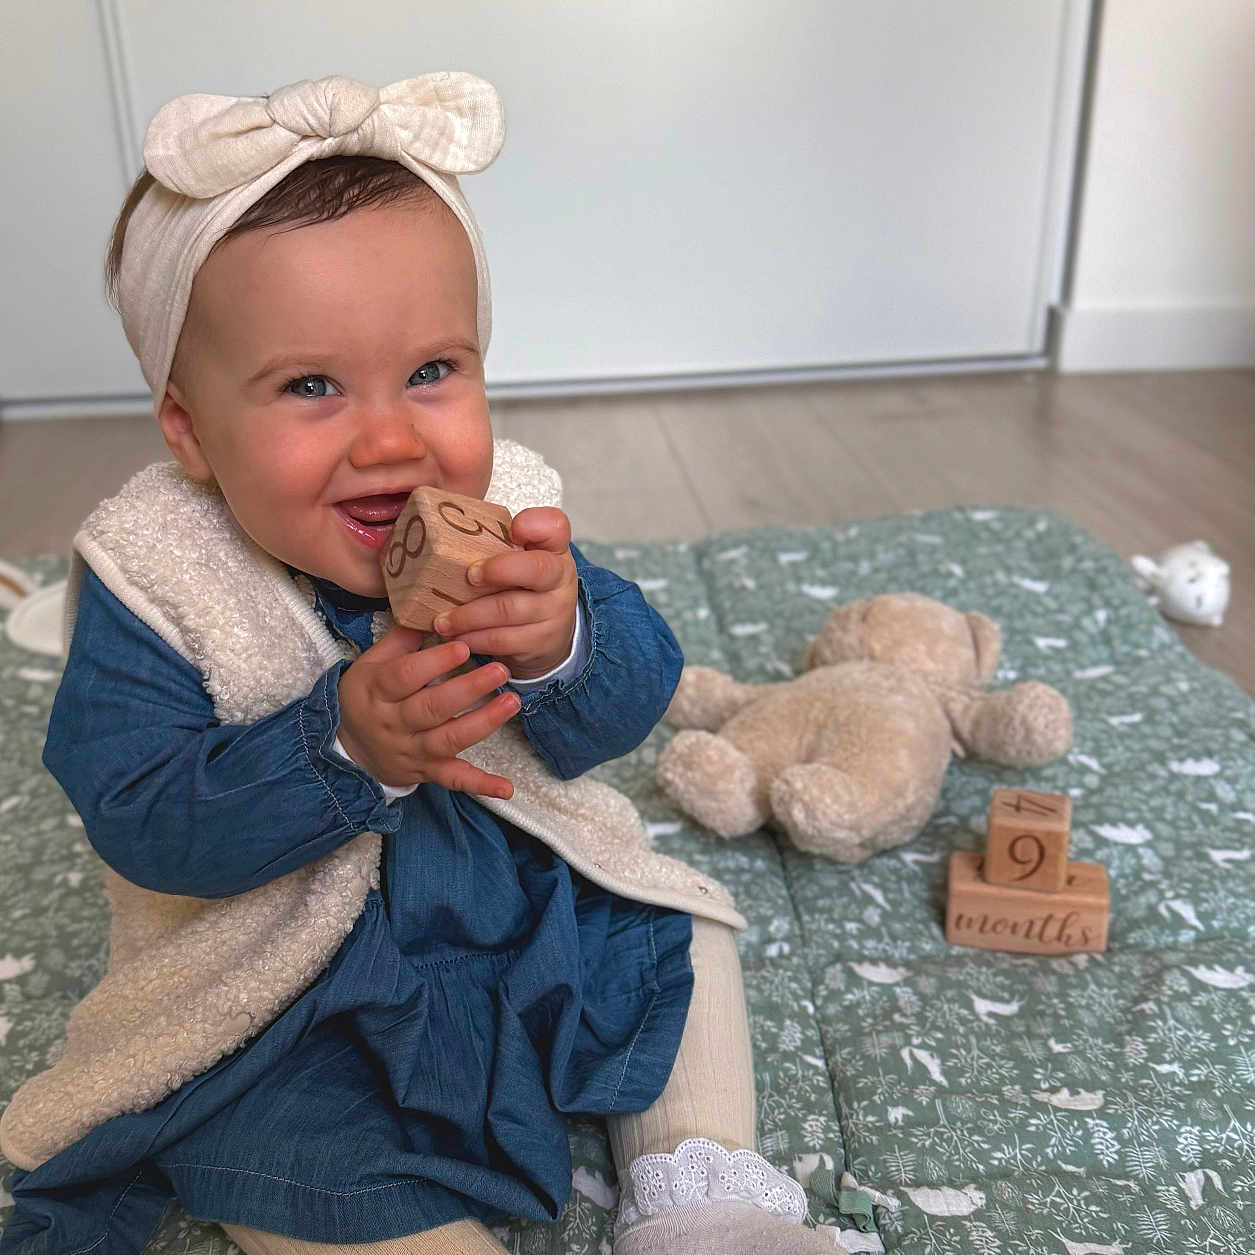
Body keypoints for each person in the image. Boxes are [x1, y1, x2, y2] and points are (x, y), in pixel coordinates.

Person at [0, 74, 844, 1255]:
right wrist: (341, 743)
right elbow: (141, 814)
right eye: (311, 386)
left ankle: (702, 1200)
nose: (393, 440)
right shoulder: (160, 580)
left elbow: (625, 704)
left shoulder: (507, 517)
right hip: (297, 982)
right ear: (190, 429)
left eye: (434, 372)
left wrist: (560, 642)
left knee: (674, 932)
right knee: (293, 1151)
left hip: (511, 899)